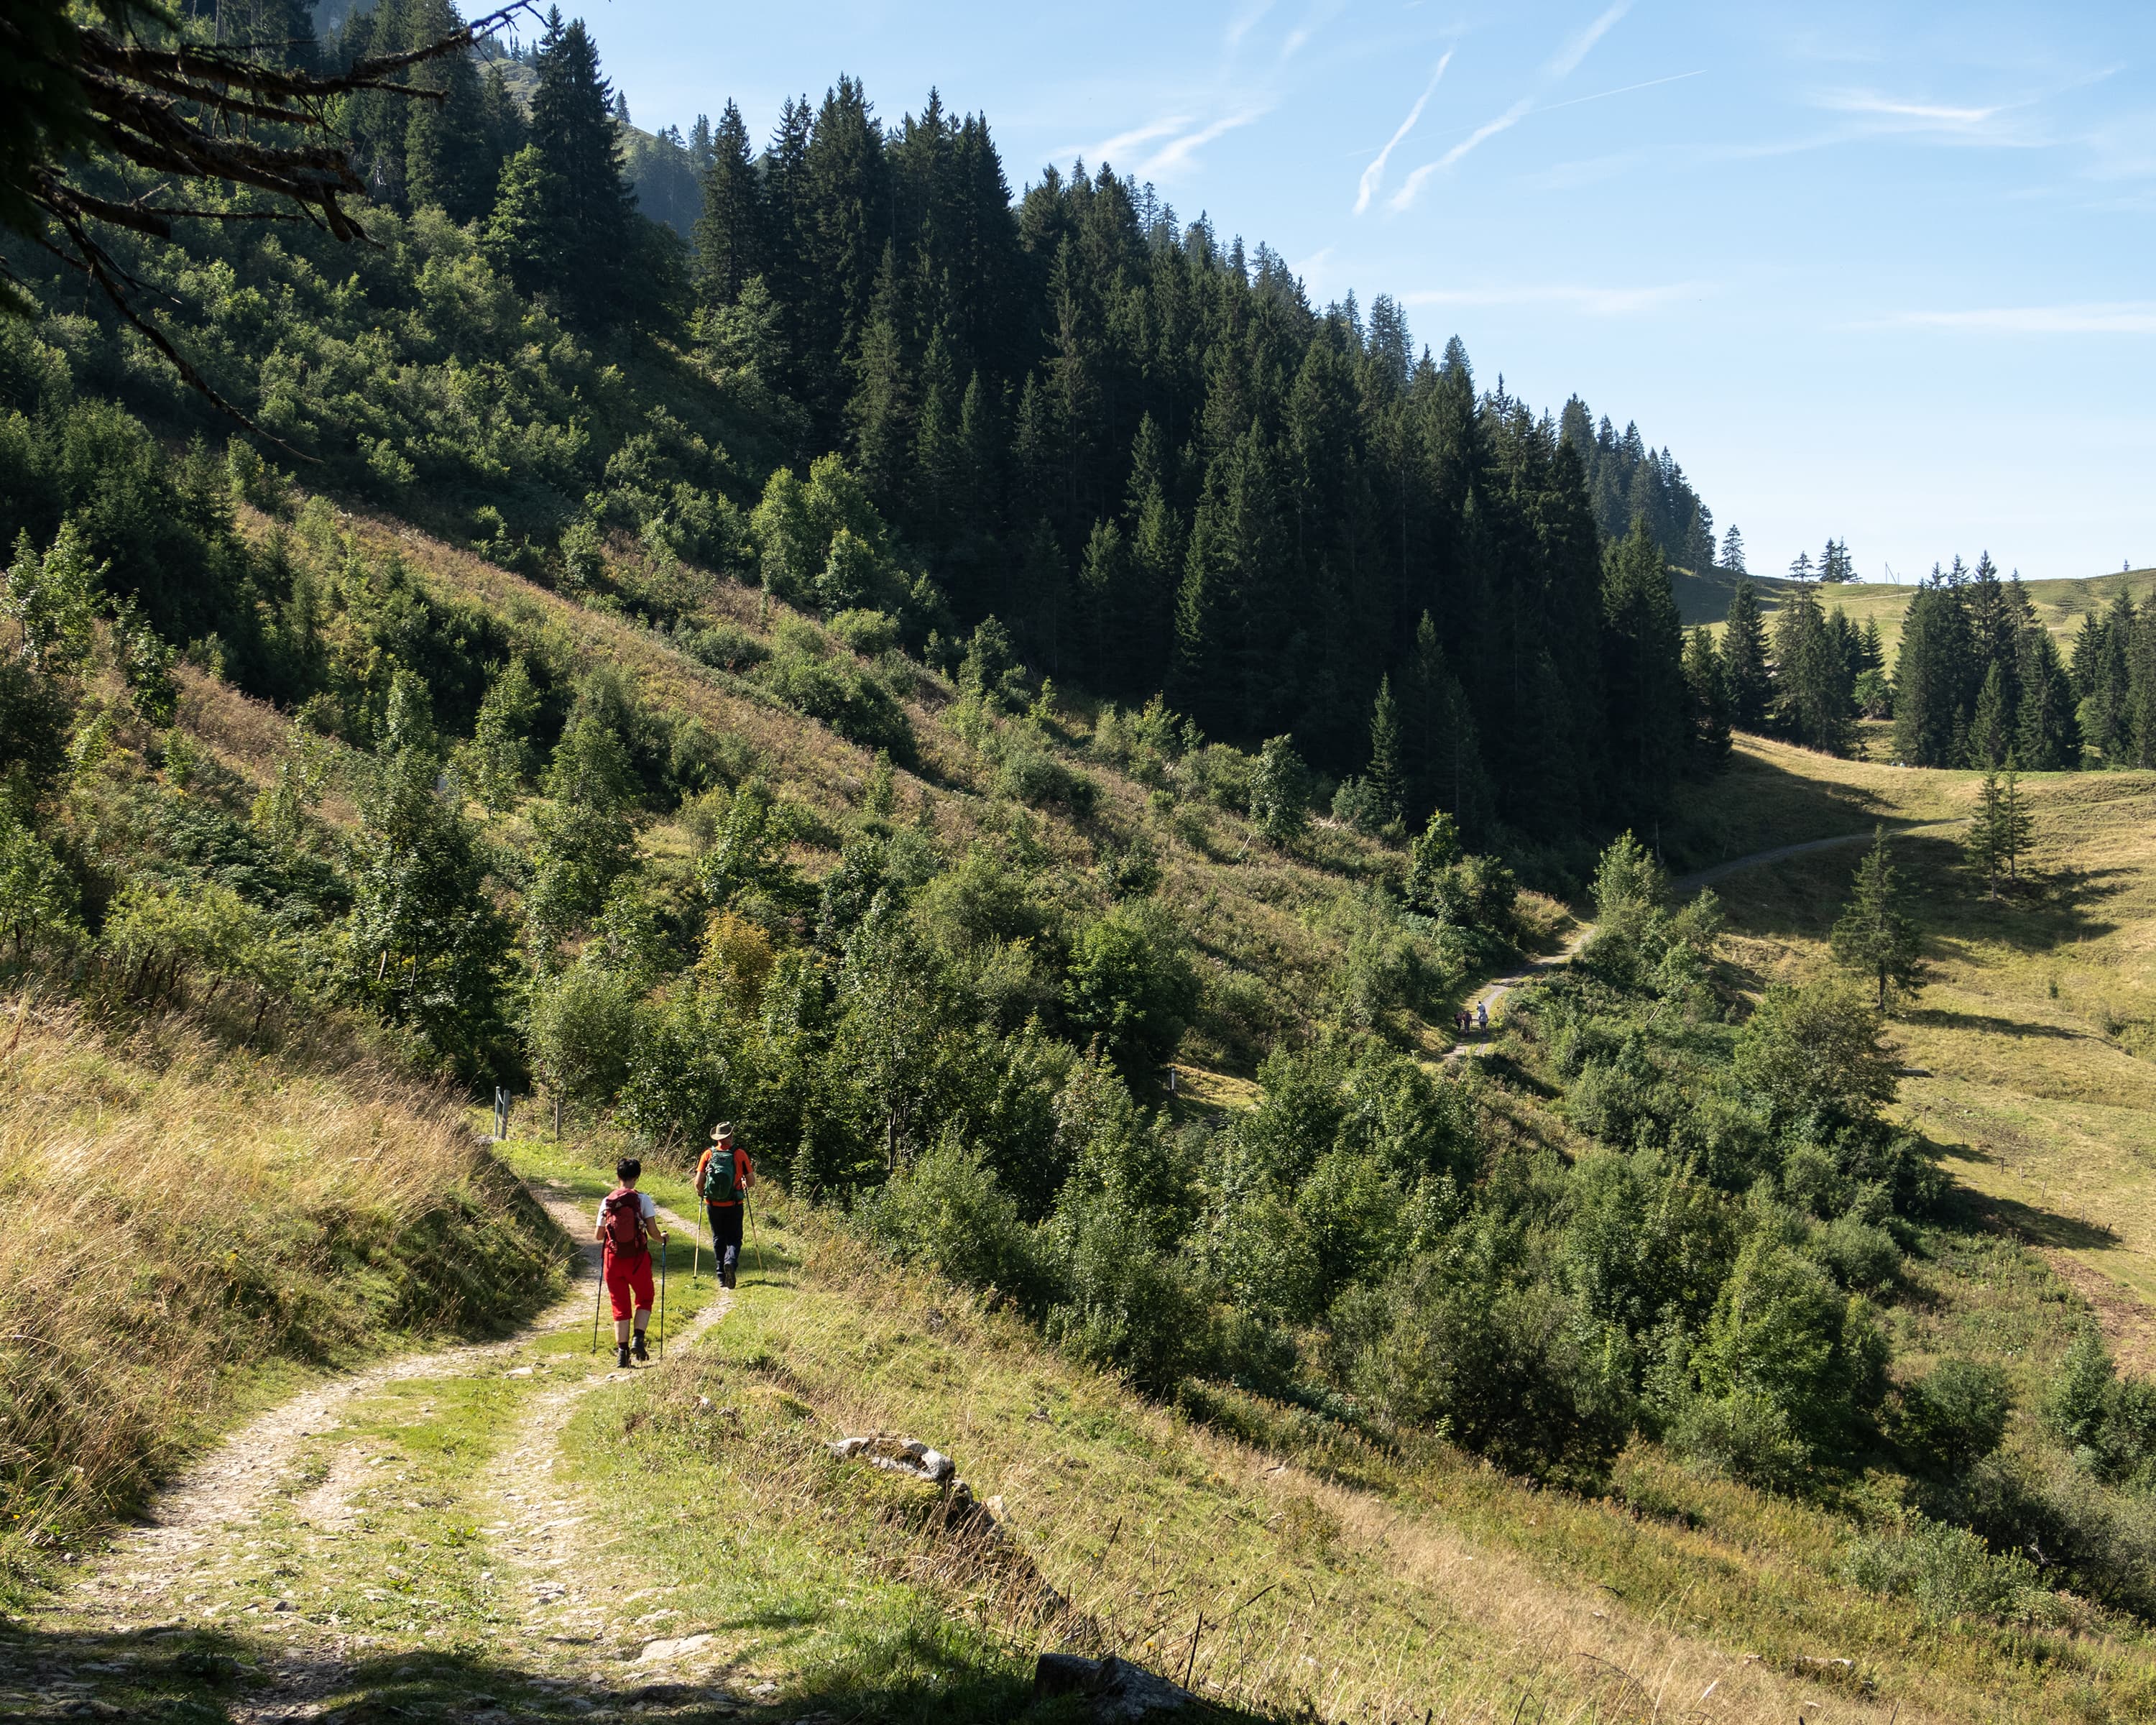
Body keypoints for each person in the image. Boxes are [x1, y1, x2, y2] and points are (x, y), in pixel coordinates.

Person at [596, 1156, 665, 1368]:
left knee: (620, 1305)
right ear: (637, 1177)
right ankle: (638, 1338)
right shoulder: (642, 1199)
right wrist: (663, 1238)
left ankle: (622, 1355)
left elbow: (599, 1236)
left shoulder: (607, 1201)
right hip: (637, 1260)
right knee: (645, 1298)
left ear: (618, 1176)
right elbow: (653, 1232)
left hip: (613, 1260)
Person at [696, 1121, 756, 1290]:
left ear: (717, 1137)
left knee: (718, 1238)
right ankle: (730, 1261)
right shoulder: (739, 1154)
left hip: (713, 1204)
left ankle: (721, 1276)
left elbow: (698, 1183)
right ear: (731, 1136)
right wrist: (742, 1184)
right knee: (735, 1238)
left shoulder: (708, 1154)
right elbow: (751, 1182)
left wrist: (701, 1192)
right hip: (734, 1203)